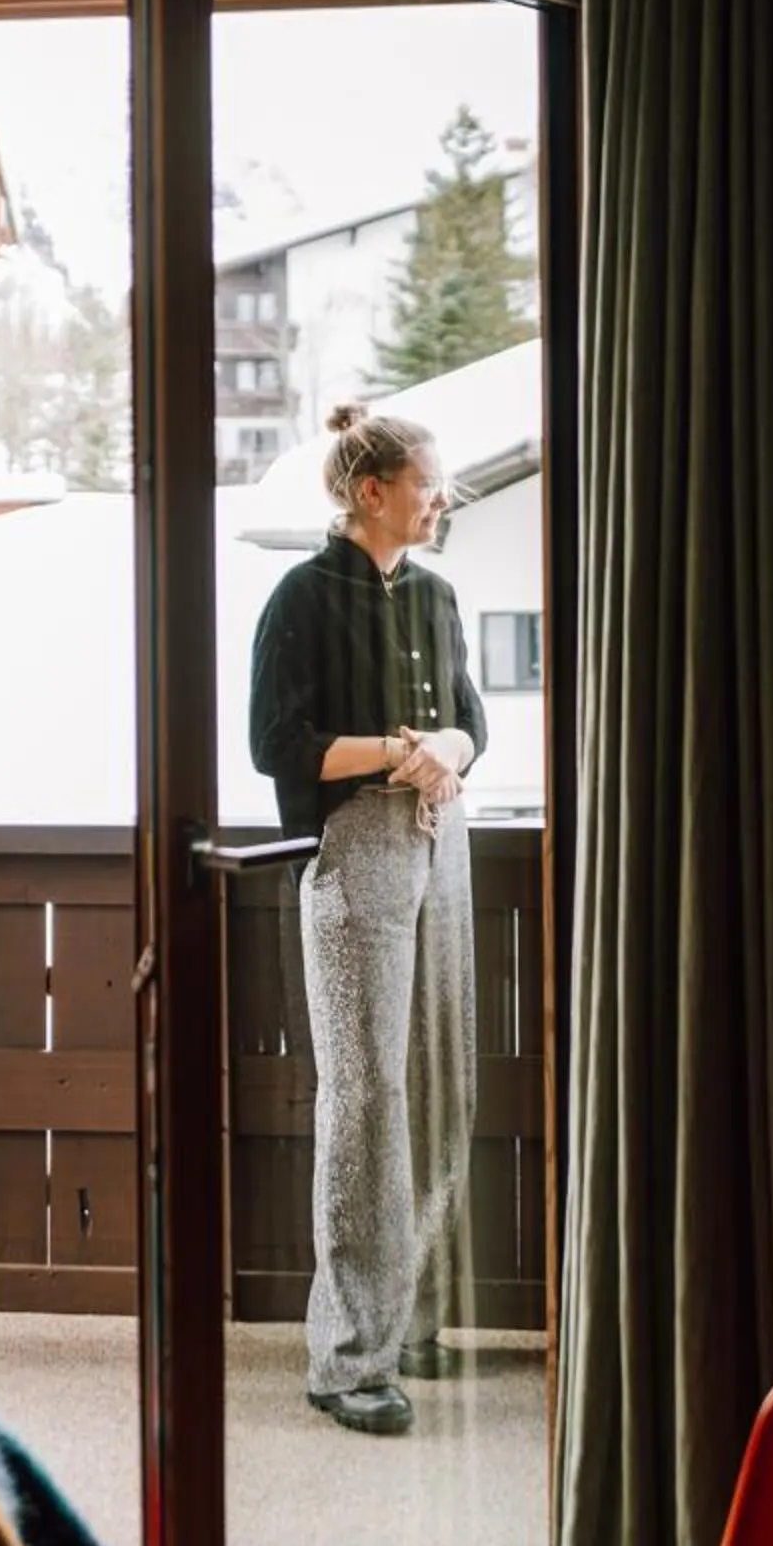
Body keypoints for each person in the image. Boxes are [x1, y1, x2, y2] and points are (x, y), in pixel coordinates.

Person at [247, 403, 489, 1437]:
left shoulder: (436, 595)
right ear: (371, 492)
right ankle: (350, 1360)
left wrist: (450, 751)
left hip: (444, 838)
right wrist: (401, 751)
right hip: (359, 845)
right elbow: (278, 743)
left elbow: (473, 722)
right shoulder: (301, 597)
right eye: (428, 483)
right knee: (367, 1095)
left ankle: (409, 1317)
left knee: (442, 1079)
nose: (443, 500)